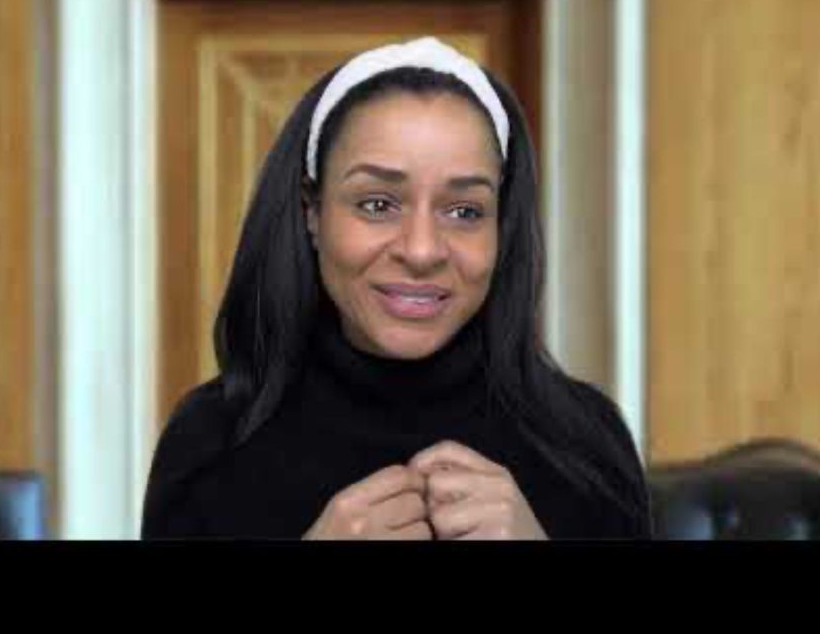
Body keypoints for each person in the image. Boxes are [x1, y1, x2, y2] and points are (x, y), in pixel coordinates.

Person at [141, 37, 652, 540]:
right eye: (377, 204)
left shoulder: (588, 441)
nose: (422, 251)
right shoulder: (210, 441)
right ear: (311, 212)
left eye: (464, 211)